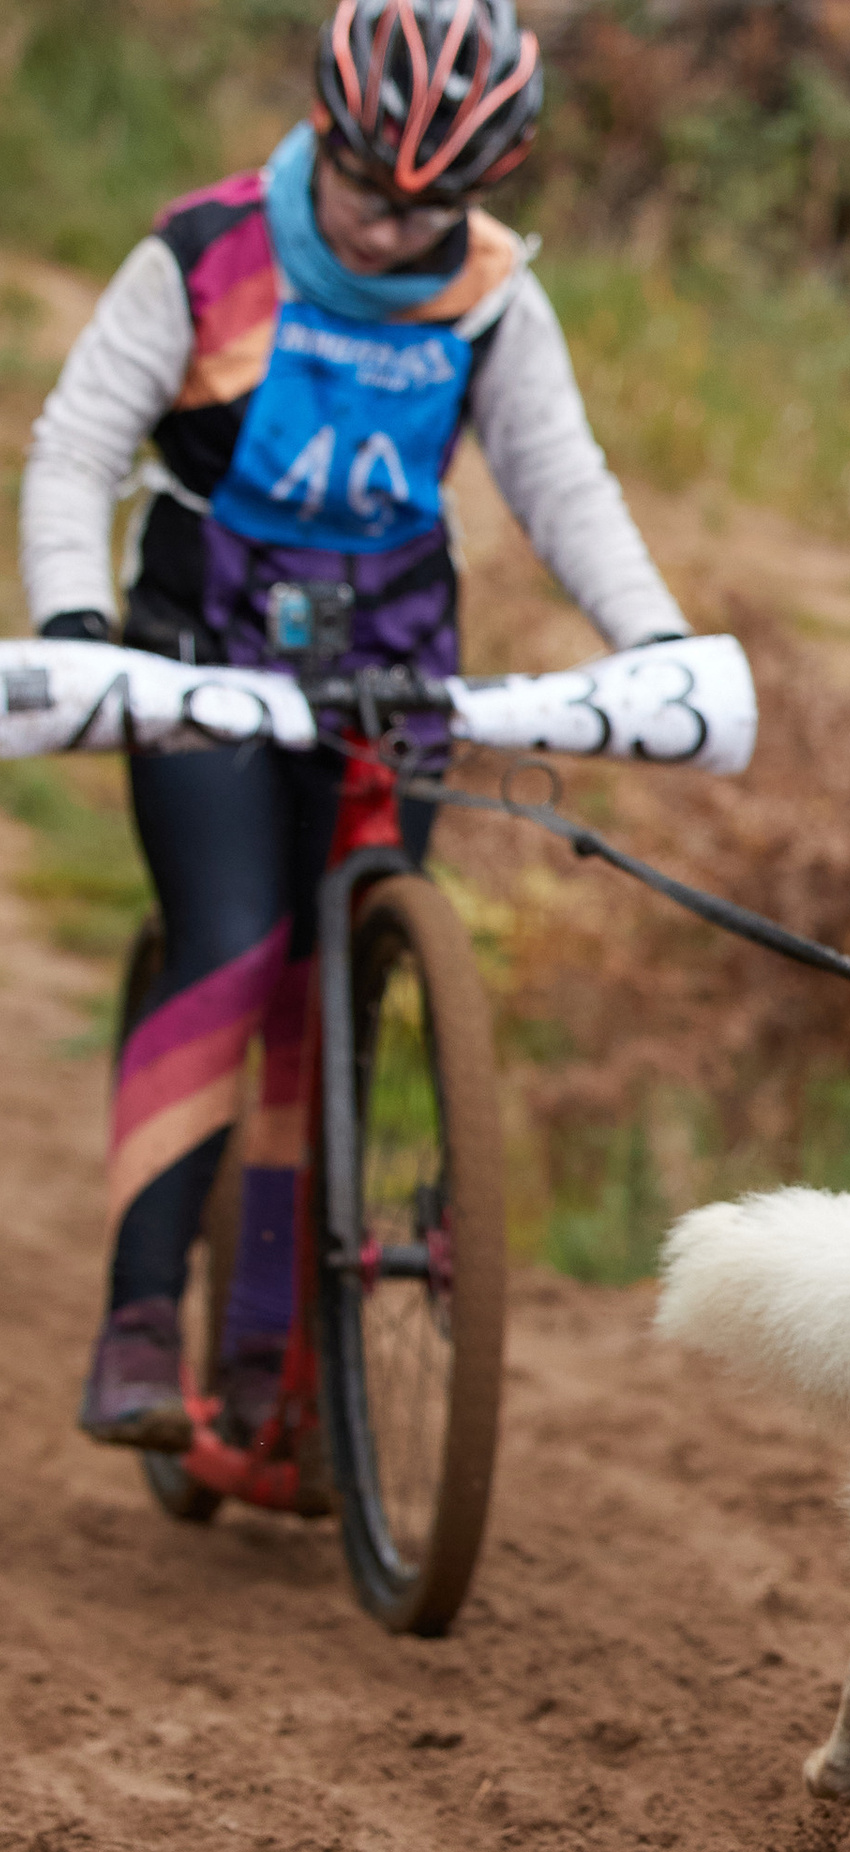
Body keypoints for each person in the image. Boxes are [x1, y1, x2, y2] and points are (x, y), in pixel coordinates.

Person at [18, 0, 690, 1451]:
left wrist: (661, 645)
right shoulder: (206, 254)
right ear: (323, 132)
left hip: (392, 672)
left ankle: (274, 1351)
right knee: (240, 941)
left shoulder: (494, 295)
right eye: (369, 188)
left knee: (344, 974)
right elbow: (77, 448)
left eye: (430, 202)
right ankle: (142, 1321)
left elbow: (563, 490)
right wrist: (78, 627)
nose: (393, 228)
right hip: (202, 657)